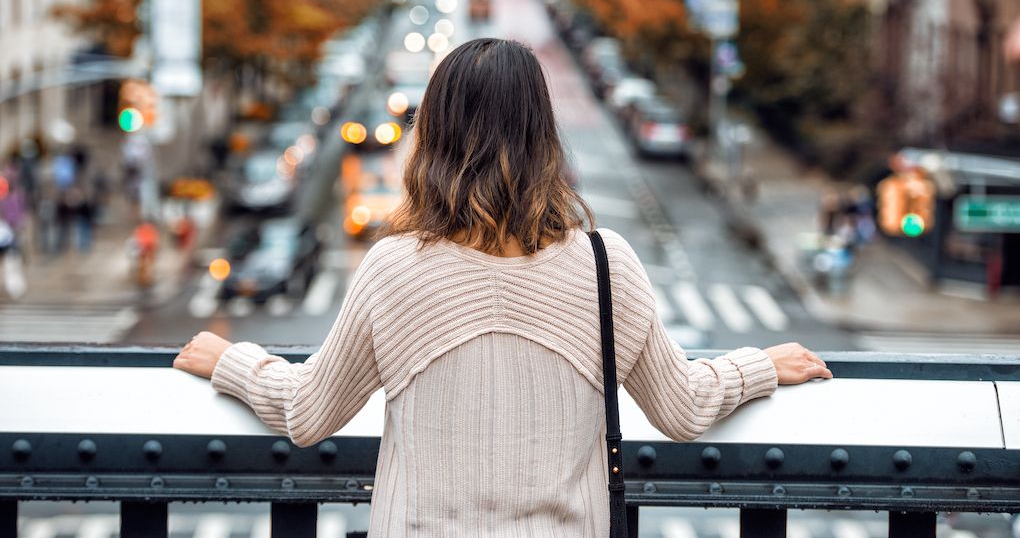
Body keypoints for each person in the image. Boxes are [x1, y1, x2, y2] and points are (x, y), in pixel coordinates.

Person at [174, 39, 831, 537]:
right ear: (543, 136)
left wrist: (230, 360)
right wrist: (760, 365)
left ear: (433, 137)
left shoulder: (394, 265)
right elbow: (683, 408)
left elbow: (309, 411)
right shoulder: (606, 264)